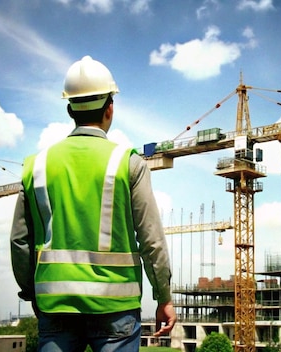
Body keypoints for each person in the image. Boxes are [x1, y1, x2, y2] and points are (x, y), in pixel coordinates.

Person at [11, 55, 176, 351]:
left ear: (69, 109)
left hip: (54, 306)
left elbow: (20, 242)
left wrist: (31, 292)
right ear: (109, 108)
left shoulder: (36, 166)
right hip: (116, 310)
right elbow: (152, 241)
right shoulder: (129, 164)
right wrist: (163, 296)